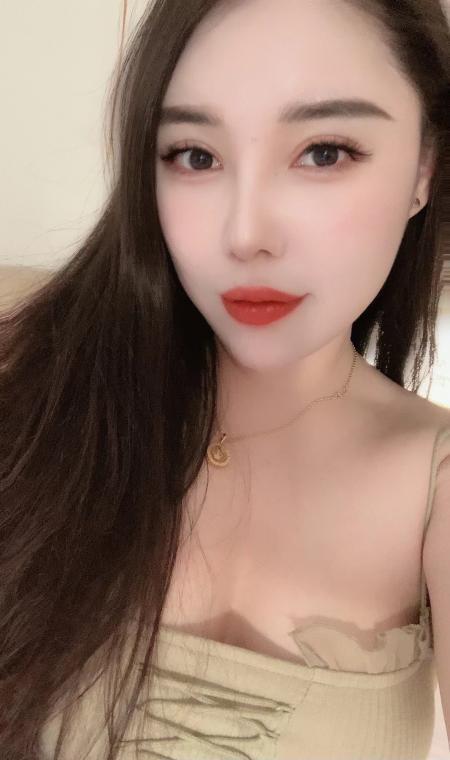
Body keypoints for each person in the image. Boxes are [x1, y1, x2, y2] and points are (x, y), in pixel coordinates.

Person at [1, 1, 449, 758]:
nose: (245, 235)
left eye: (325, 152)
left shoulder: (432, 483)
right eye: (195, 156)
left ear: (425, 169)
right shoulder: (30, 371)